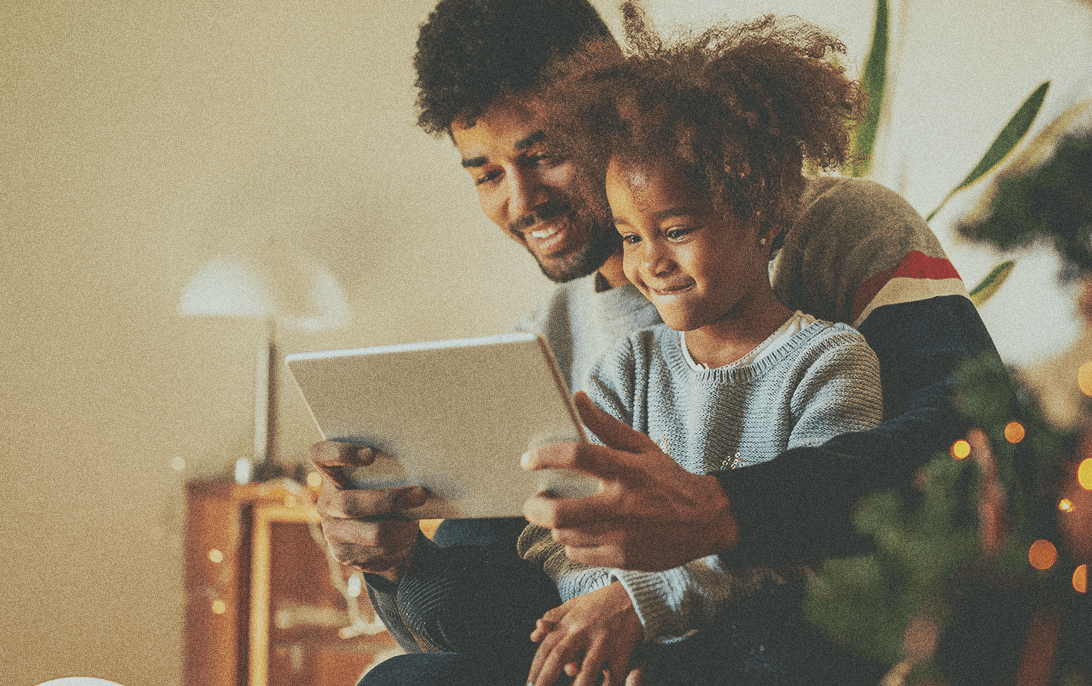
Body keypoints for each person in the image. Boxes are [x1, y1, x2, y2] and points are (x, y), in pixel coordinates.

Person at [310, 0, 1002, 683]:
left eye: (542, 154)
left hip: (797, 639)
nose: (520, 202)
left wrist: (722, 514)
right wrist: (399, 562)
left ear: (615, 104)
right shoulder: (549, 339)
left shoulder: (842, 232)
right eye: (486, 174)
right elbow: (515, 598)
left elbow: (973, 442)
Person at [515, 18, 884, 685]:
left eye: (676, 229)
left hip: (759, 650)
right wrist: (609, 618)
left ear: (766, 216)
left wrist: (642, 605)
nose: (649, 263)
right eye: (629, 237)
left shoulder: (831, 362)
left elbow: (809, 545)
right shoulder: (628, 369)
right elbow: (574, 539)